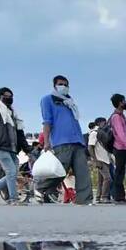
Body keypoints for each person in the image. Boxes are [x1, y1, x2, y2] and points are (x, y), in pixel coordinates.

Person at [37, 75, 93, 205]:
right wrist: (46, 142)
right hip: (61, 141)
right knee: (59, 170)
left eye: (66, 84)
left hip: (77, 141)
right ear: (55, 86)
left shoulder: (69, 102)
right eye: (61, 84)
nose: (64, 87)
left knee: (83, 172)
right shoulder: (48, 100)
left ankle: (84, 200)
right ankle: (40, 188)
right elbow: (47, 122)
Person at [0, 87, 30, 205]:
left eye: (10, 96)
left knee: (12, 174)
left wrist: (27, 150)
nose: (9, 98)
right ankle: (13, 199)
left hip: (13, 149)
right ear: (0, 97)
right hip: (0, 147)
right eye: (6, 96)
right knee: (11, 172)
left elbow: (20, 133)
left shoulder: (13, 114)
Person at [87, 117, 112, 204]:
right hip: (100, 160)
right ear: (99, 123)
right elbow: (90, 147)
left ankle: (98, 197)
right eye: (104, 123)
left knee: (101, 181)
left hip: (105, 159)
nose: (106, 125)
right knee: (108, 178)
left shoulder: (102, 134)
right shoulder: (94, 133)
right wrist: (95, 161)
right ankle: (104, 197)